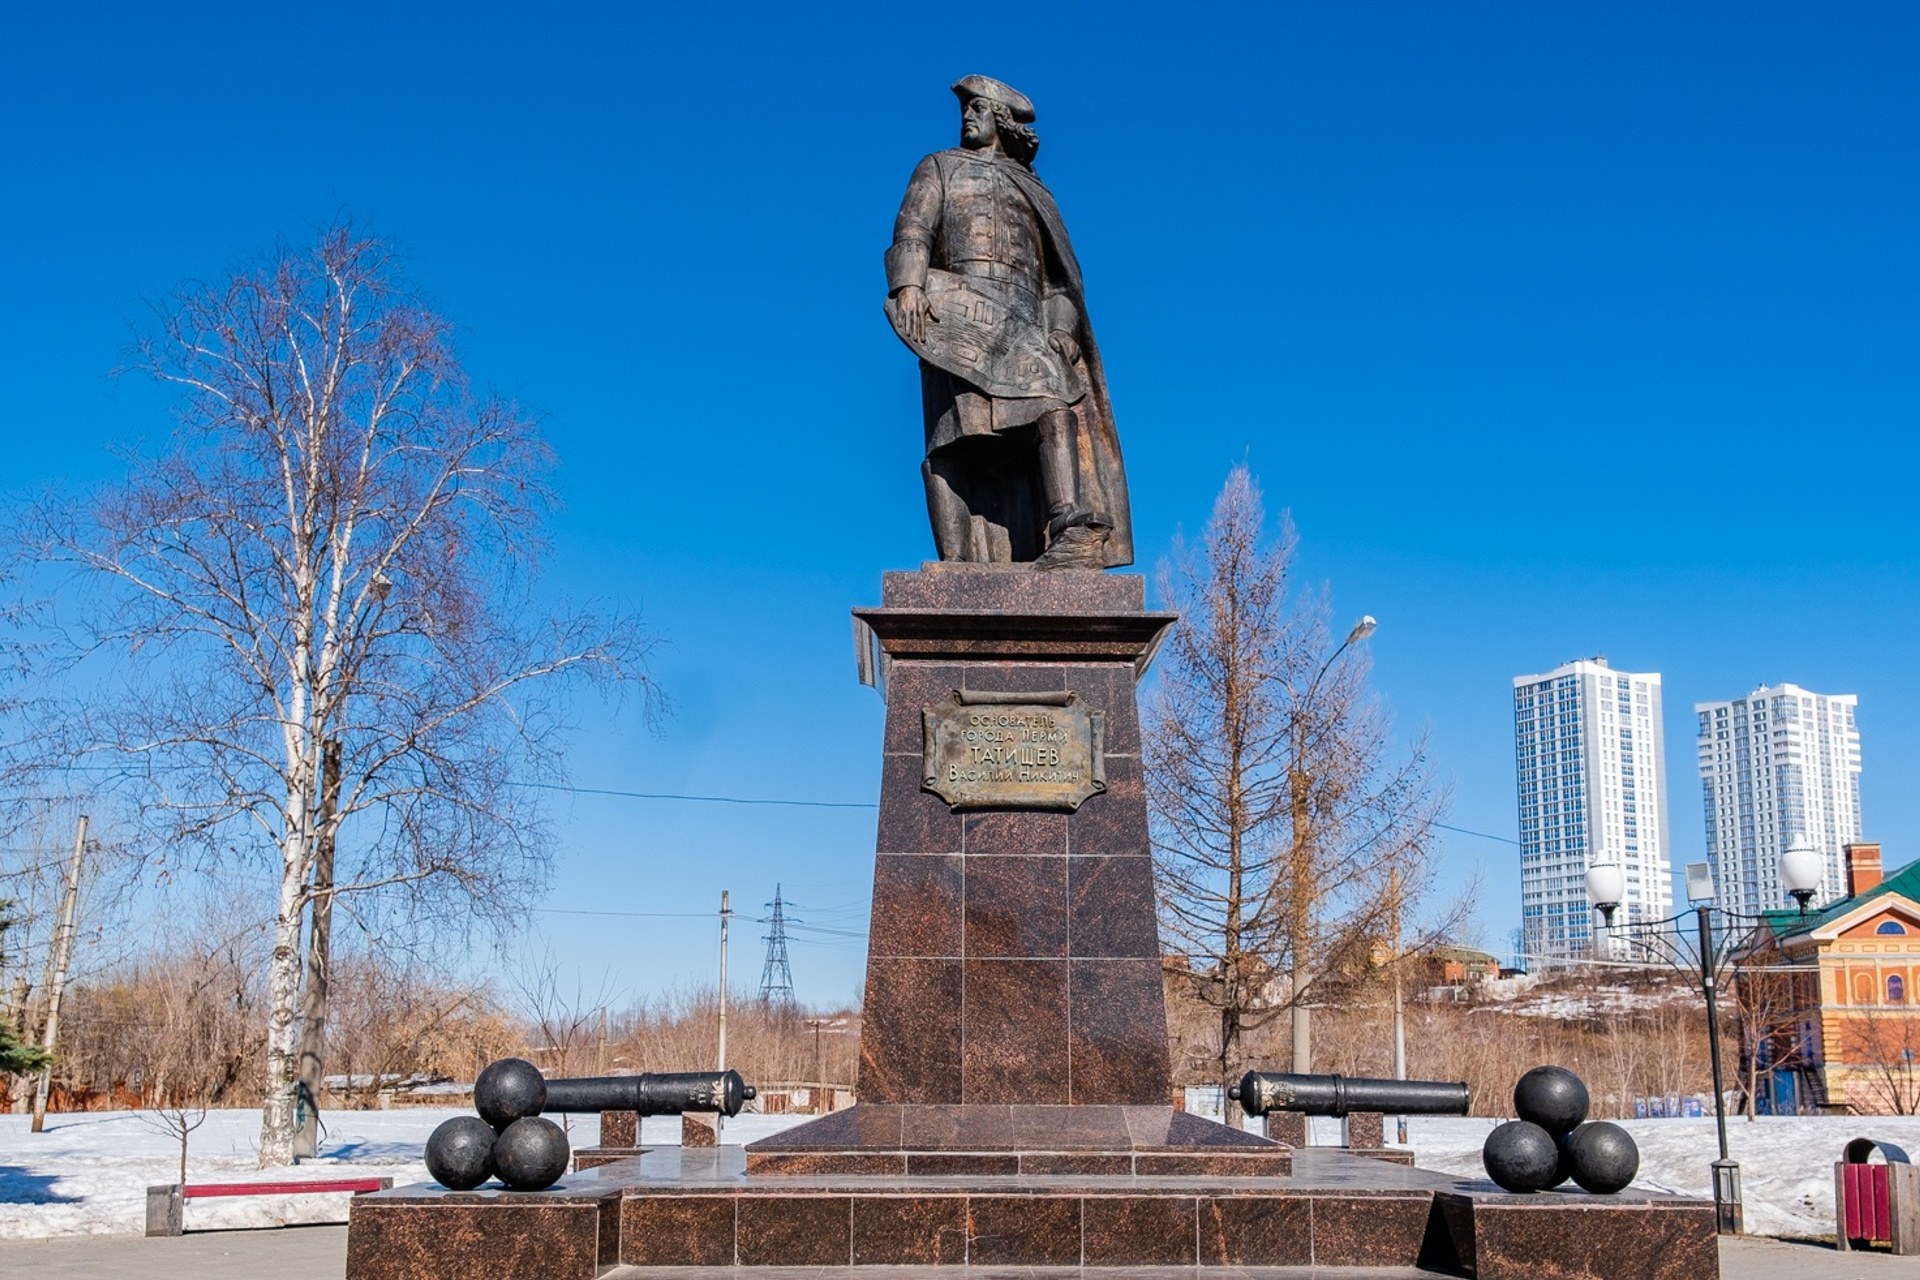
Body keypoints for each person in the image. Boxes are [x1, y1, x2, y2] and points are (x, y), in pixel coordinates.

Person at [885, 75, 1132, 569]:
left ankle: (1069, 523)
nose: (967, 117)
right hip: (955, 318)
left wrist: (1062, 328)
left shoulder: (1035, 191)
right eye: (965, 110)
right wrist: (908, 285)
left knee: (1052, 408)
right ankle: (955, 564)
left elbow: (1059, 283)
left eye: (977, 108)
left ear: (1001, 119)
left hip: (1022, 325)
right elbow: (913, 227)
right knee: (951, 439)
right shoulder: (939, 167)